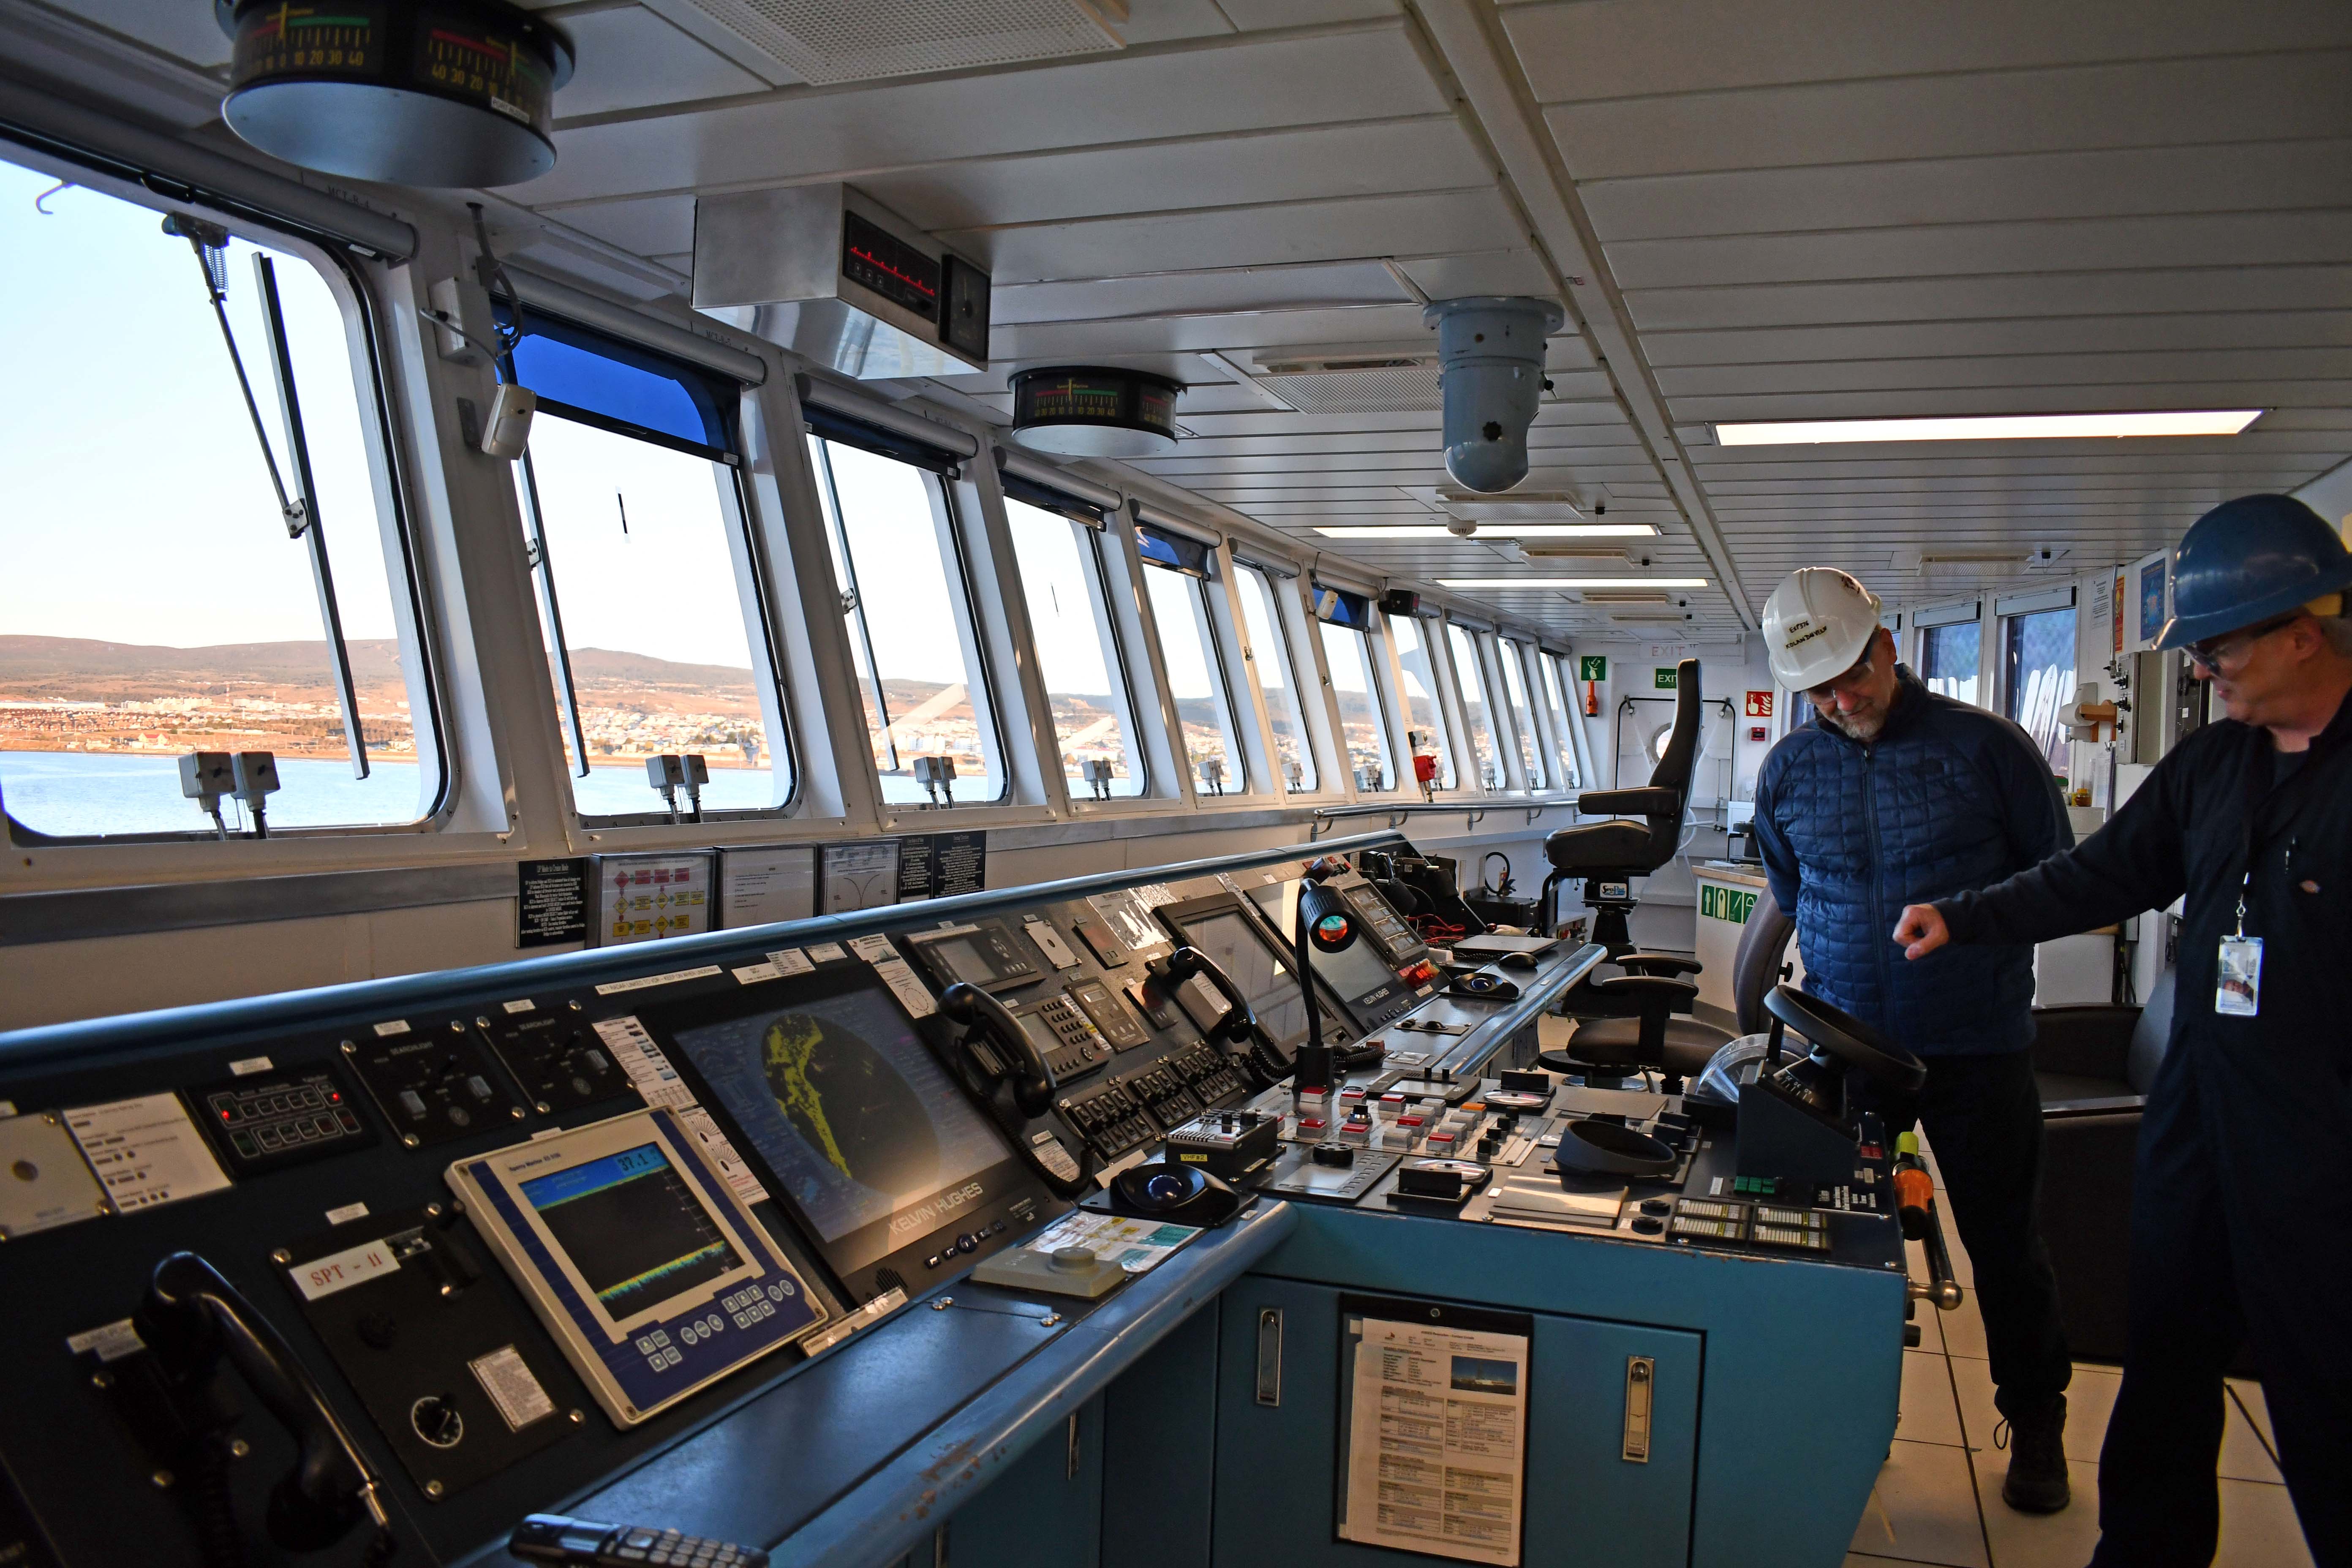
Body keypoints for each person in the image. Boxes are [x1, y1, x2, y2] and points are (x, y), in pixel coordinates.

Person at [1894, 493, 2352, 1567]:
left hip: (2323, 1152)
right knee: (2166, 1373)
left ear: (2304, 628)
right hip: (2200, 1119)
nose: (2203, 670)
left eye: (2218, 645)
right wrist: (1967, 915)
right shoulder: (2213, 765)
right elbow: (2099, 875)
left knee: (2327, 1401)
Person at [1750, 566, 2077, 1512]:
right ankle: (1848, 1423)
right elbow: (1792, 888)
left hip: (1976, 1044)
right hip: (1849, 1046)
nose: (1841, 699)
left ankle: (2039, 1424)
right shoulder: (1790, 769)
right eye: (1820, 688)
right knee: (1841, 1249)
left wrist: (1964, 916)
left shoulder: (1989, 749)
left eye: (1853, 673)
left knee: (2006, 1244)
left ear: (1888, 647)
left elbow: (2056, 878)